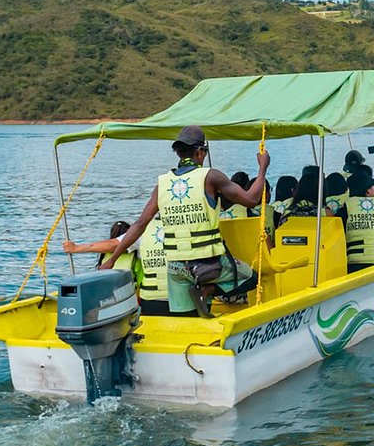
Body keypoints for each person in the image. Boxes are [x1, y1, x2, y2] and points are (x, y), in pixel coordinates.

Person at [100, 125, 270, 318]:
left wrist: (112, 260)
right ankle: (207, 291)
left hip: (175, 267)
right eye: (204, 151)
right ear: (199, 152)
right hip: (208, 262)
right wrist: (262, 168)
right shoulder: (210, 176)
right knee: (252, 279)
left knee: (187, 318)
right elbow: (251, 199)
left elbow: (140, 224)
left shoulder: (162, 184)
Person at [62, 220, 151, 300]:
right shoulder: (135, 255)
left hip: (106, 296)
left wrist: (75, 248)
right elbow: (140, 281)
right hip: (130, 297)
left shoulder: (103, 254)